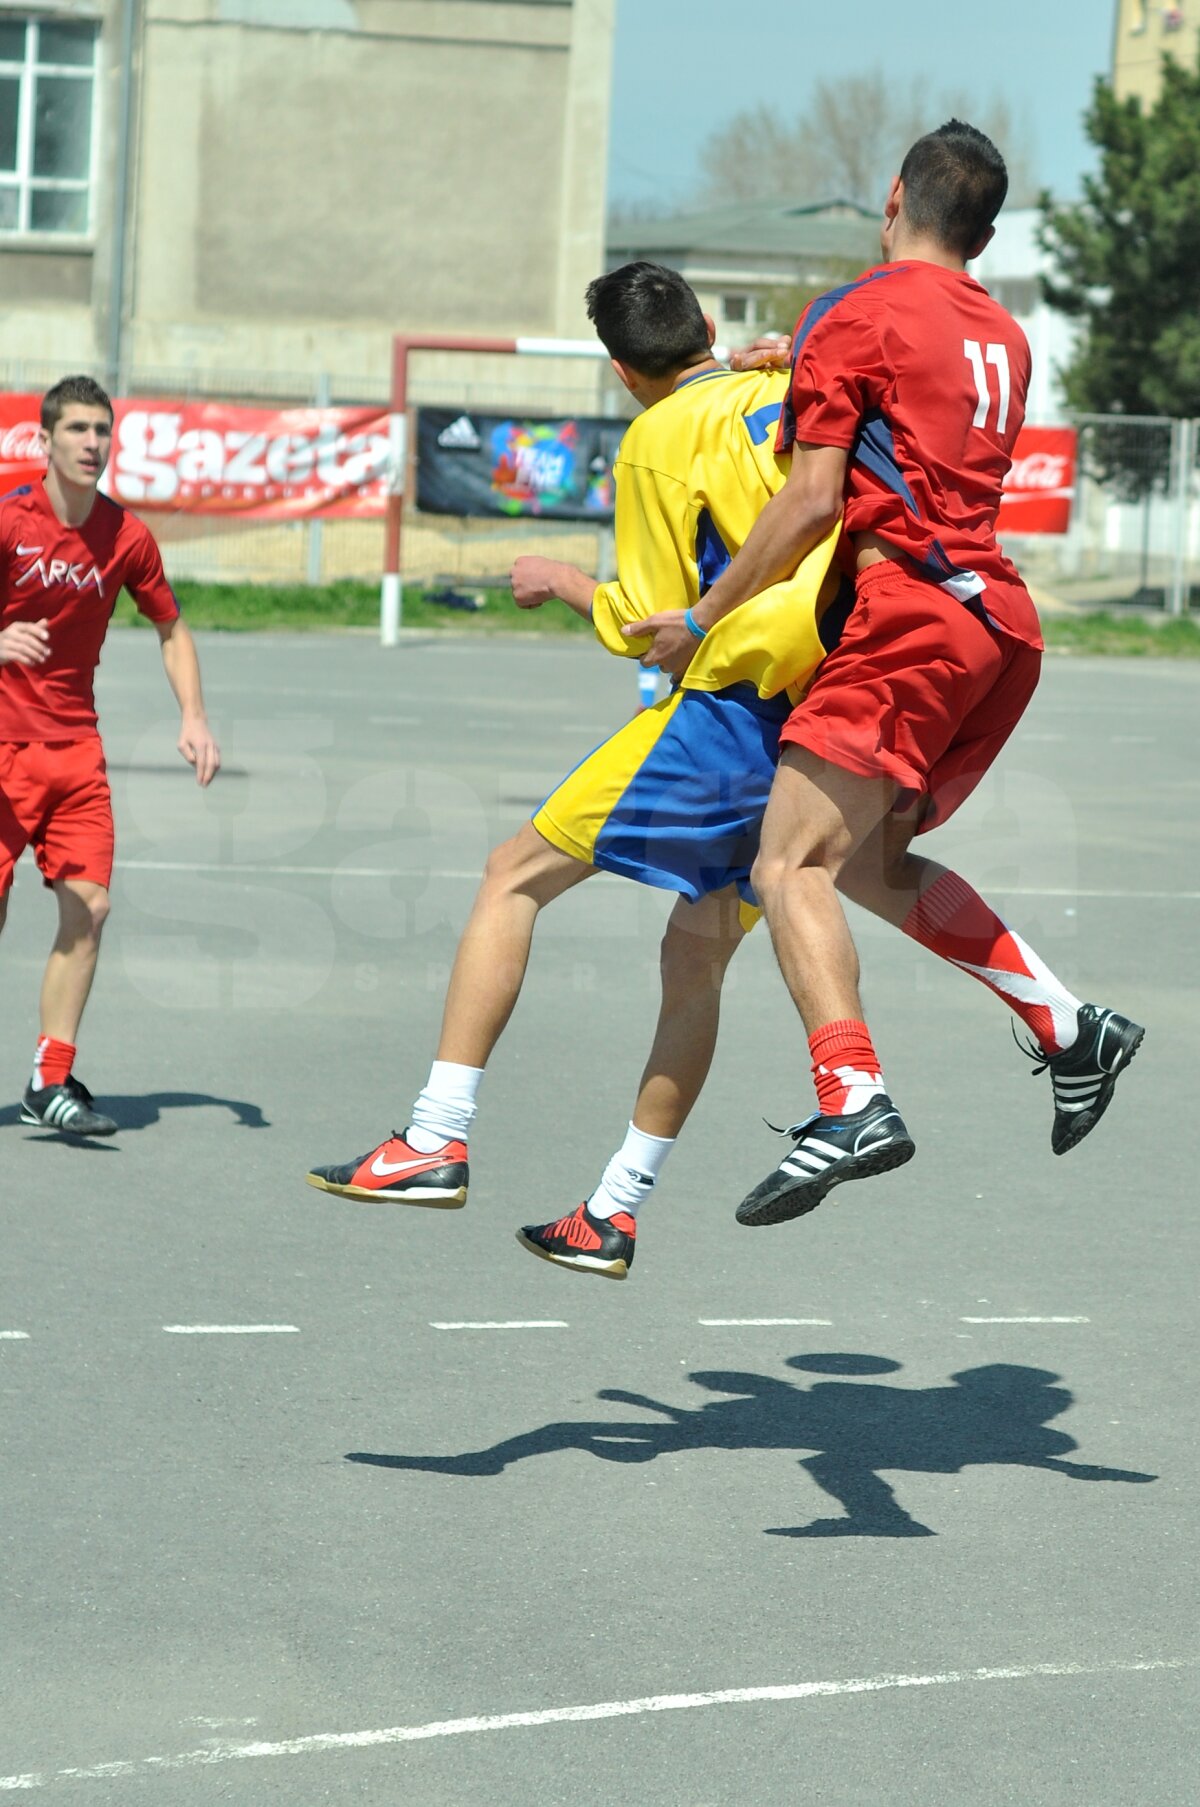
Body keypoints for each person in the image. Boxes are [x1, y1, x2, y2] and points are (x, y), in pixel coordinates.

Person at [629, 122, 1144, 1229]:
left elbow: (816, 494)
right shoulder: (1003, 333)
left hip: (909, 617)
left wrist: (704, 616)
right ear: (987, 233)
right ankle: (1068, 1024)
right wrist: (799, 359)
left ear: (893, 196)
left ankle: (851, 1098)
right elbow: (901, 415)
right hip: (997, 627)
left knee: (786, 864)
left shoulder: (859, 311)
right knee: (867, 862)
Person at [306, 260, 847, 1278]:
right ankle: (613, 1209)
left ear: (620, 369)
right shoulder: (785, 390)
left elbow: (651, 629)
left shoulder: (655, 437)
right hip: (816, 723)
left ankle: (434, 1136)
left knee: (511, 876)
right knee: (696, 957)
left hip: (728, 711)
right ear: (703, 326)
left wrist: (561, 582)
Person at [0, 374, 220, 1137]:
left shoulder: (125, 536)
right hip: (1, 749)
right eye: (78, 431)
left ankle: (48, 1079)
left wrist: (192, 714)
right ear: (44, 441)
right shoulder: (10, 521)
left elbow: (172, 628)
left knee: (89, 908)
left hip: (74, 753)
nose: (93, 444)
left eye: (103, 431)